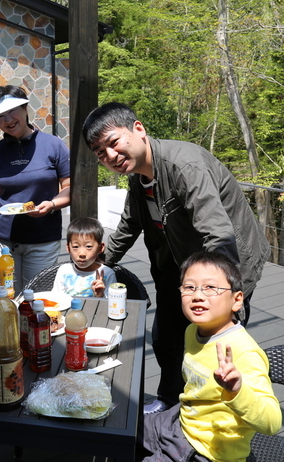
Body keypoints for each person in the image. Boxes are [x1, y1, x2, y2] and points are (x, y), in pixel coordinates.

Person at [83, 102, 270, 414]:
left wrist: (220, 297)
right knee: (166, 339)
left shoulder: (185, 165)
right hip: (178, 267)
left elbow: (219, 236)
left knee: (214, 353)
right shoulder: (138, 176)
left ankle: (213, 420)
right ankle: (171, 404)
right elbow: (130, 224)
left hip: (228, 267)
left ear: (138, 130)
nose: (110, 156)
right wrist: (99, 263)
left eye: (113, 143)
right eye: (100, 152)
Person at [141, 251, 281, 462]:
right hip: (181, 421)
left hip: (209, 451)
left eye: (210, 287)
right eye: (189, 287)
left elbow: (272, 422)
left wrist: (237, 391)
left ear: (237, 300)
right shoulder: (192, 331)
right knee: (122, 428)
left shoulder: (243, 352)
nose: (198, 295)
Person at [0, 85, 71, 291]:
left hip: (43, 239)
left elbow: (69, 187)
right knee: (8, 296)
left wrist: (51, 204)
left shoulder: (53, 145)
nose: (7, 120)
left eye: (12, 112)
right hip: (6, 241)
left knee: (38, 298)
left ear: (25, 108)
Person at [51, 217, 117, 298]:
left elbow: (113, 305)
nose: (82, 253)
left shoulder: (107, 273)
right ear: (68, 248)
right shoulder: (64, 270)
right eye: (75, 247)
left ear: (100, 248)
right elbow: (55, 298)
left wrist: (99, 295)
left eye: (88, 246)